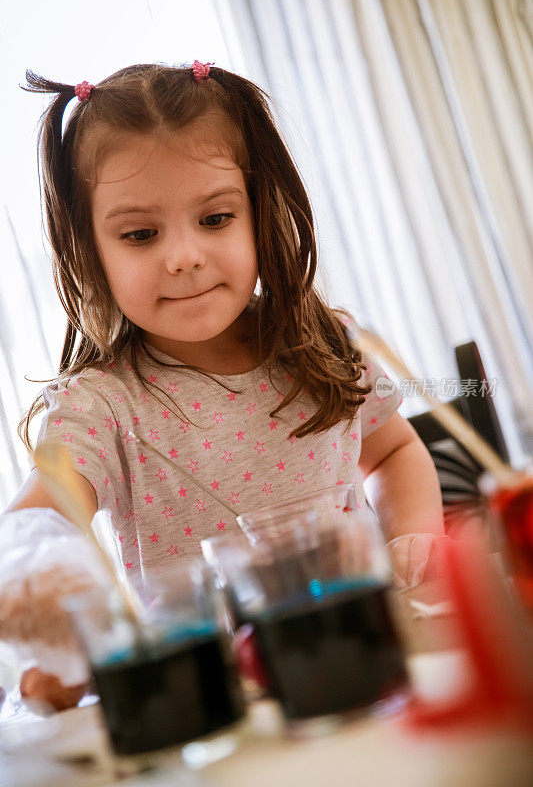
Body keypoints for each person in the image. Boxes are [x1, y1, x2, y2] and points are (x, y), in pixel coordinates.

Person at [1, 61, 444, 704]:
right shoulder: (101, 407)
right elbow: (36, 526)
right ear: (90, 250)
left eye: (215, 219)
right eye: (141, 234)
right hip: (218, 700)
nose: (183, 255)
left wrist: (415, 535)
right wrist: (51, 623)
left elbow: (395, 451)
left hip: (358, 653)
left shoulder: (325, 345)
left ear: (259, 216)